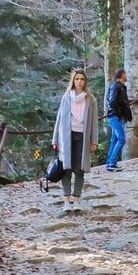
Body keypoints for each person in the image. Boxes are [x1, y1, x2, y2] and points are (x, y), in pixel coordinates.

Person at [52, 70, 99, 213]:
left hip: (82, 137)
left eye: (82, 79)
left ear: (85, 81)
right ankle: (66, 201)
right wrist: (55, 139)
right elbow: (59, 119)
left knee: (80, 169)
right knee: (66, 168)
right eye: (77, 79)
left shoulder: (90, 99)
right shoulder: (66, 97)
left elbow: (94, 122)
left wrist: (94, 140)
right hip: (66, 136)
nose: (79, 81)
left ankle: (76, 199)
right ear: (73, 81)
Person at [105, 68, 133, 172]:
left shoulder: (121, 87)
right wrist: (118, 112)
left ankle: (110, 163)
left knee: (115, 140)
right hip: (115, 117)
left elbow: (121, 101)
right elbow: (112, 102)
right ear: (122, 75)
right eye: (125, 73)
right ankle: (112, 162)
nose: (127, 75)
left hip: (118, 116)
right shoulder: (116, 86)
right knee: (122, 139)